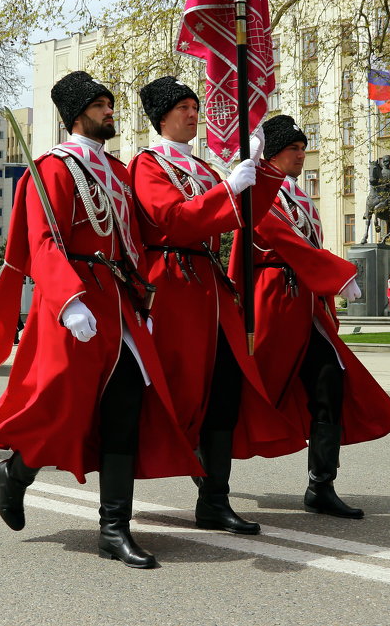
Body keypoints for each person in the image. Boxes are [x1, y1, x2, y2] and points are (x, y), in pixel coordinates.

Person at [0, 71, 200, 568]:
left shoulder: (118, 172)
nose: (111, 113)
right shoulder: (53, 169)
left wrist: (146, 298)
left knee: (124, 412)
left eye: (110, 104)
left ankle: (113, 529)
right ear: (77, 115)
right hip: (74, 301)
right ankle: (16, 471)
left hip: (118, 302)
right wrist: (67, 299)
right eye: (101, 105)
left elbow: (134, 242)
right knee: (61, 407)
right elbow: (43, 243)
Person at [129, 75, 305, 535]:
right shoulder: (147, 165)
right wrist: (230, 187)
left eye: (195, 106)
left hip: (208, 290)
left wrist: (261, 171)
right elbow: (173, 220)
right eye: (184, 107)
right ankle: (116, 496)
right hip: (171, 287)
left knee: (225, 392)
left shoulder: (206, 170)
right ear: (161, 117)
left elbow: (245, 216)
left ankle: (214, 501)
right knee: (165, 396)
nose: (194, 113)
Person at [232, 115, 390, 517]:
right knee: (247, 391)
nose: (301, 154)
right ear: (273, 153)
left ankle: (320, 485)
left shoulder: (299, 197)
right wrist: (336, 274)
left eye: (302, 147)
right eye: (294, 148)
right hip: (271, 304)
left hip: (306, 306)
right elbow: (280, 239)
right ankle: (210, 472)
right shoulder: (257, 191)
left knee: (331, 384)